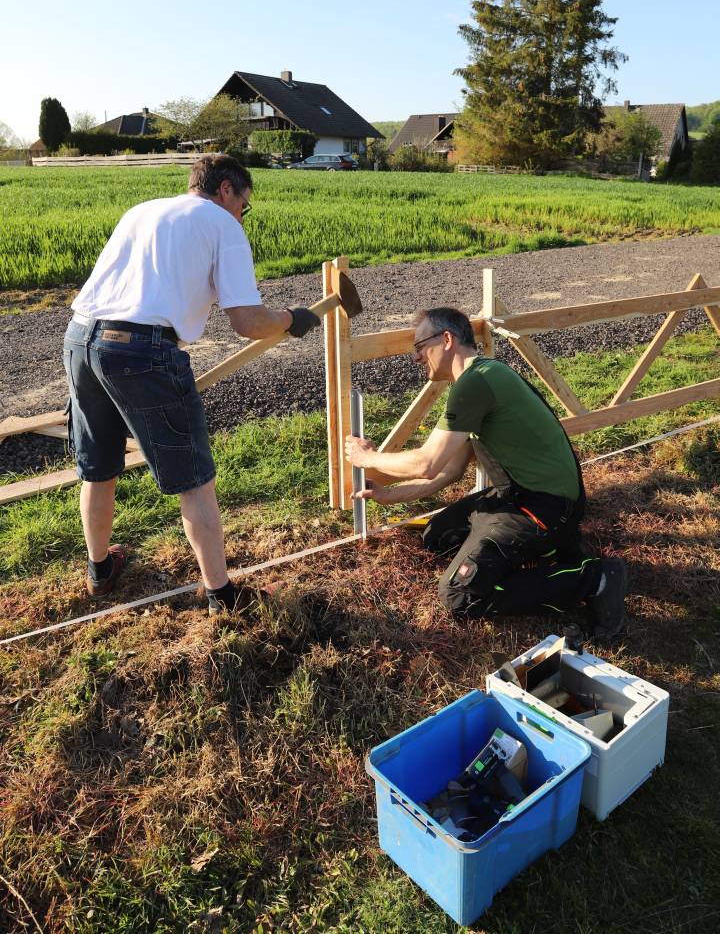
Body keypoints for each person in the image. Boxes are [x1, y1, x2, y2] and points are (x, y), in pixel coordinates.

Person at [63, 153, 320, 614]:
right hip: (143, 349)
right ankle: (223, 597)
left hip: (82, 337)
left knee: (98, 464)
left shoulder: (141, 211)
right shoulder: (223, 225)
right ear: (227, 190)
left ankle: (100, 570)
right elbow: (246, 320)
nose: (244, 213)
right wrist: (290, 319)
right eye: (245, 203)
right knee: (195, 480)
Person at [345, 307, 626, 642]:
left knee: (460, 595)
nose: (417, 359)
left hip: (545, 505)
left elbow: (426, 463)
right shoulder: (484, 376)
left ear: (446, 340)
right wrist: (388, 495)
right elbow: (449, 472)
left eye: (420, 348)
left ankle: (594, 578)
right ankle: (545, 551)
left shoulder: (474, 383)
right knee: (437, 535)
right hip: (524, 494)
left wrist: (368, 458)